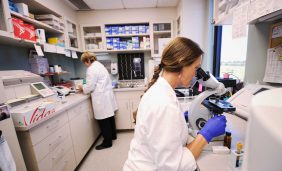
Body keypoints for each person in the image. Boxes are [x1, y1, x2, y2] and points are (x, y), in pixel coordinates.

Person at [123, 37, 227, 170]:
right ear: (181, 63)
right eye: (196, 68)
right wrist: (206, 134)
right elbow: (174, 167)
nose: (196, 74)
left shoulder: (162, 90)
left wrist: (179, 123)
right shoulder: (163, 103)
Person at [79, 51, 118, 150]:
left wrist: (82, 88)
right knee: (109, 116)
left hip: (101, 97)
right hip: (106, 95)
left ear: (87, 60)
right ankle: (113, 136)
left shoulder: (91, 69)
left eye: (84, 62)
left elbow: (90, 87)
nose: (85, 65)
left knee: (103, 119)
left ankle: (107, 142)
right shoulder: (99, 65)